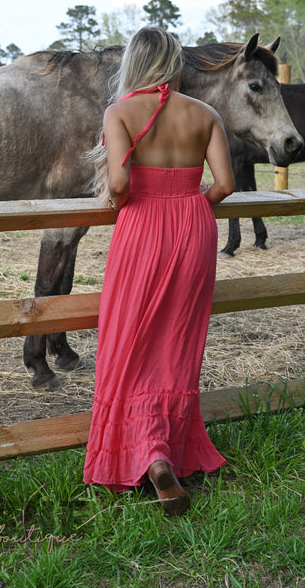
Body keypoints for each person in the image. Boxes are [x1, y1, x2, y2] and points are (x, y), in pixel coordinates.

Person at [83, 26, 235, 516]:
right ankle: (166, 449)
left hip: (143, 227)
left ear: (134, 62)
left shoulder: (120, 112)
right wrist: (191, 207)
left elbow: (121, 185)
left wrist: (135, 200)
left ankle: (144, 454)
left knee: (128, 340)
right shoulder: (205, 113)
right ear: (173, 62)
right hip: (195, 226)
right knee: (176, 341)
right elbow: (226, 185)